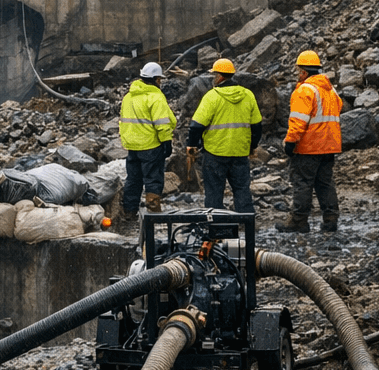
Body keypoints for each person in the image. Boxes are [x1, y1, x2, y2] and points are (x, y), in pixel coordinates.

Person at [277, 50, 343, 233]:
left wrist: (290, 142)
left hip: (309, 146)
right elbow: (338, 109)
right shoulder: (330, 90)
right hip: (329, 145)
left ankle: (299, 221)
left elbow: (298, 120)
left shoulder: (305, 90)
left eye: (299, 70)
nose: (298, 74)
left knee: (303, 183)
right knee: (325, 183)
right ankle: (330, 219)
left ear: (304, 72)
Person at [185, 58, 263, 213]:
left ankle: (217, 226)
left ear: (220, 77)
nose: (214, 79)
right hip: (240, 153)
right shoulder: (247, 95)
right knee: (242, 190)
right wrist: (252, 146)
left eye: (214, 75)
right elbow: (257, 126)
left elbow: (196, 126)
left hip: (215, 153)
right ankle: (246, 223)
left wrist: (191, 145)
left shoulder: (212, 97)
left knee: (214, 192)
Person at [119, 61, 177, 216]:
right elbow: (162, 123)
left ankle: (129, 212)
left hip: (132, 146)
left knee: (133, 179)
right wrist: (167, 141)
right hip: (151, 145)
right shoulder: (155, 97)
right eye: (159, 79)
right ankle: (153, 213)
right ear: (156, 79)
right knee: (153, 180)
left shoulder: (128, 97)